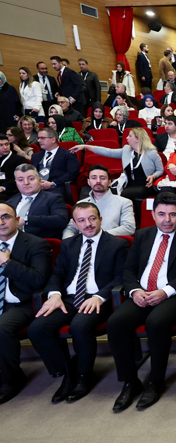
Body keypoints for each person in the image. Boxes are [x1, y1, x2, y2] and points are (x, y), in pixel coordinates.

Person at [106, 192, 176, 411]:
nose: (167, 220)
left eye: (172, 214)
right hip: (142, 293)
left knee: (156, 323)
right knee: (116, 323)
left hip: (173, 295)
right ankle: (130, 382)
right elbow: (129, 269)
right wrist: (134, 291)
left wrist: (165, 291)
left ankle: (156, 382)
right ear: (153, 214)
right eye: (161, 214)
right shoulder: (142, 235)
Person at [28, 202, 128, 403]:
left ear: (100, 219)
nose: (88, 224)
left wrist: (99, 296)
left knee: (79, 326)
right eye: (81, 220)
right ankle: (68, 373)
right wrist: (54, 294)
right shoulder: (68, 245)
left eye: (92, 218)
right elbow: (57, 273)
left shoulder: (117, 244)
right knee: (37, 329)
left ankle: (84, 375)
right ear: (75, 224)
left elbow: (121, 277)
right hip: (69, 298)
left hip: (98, 299)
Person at [0, 201, 52, 403]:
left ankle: (11, 379)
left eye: (5, 217)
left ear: (16, 220)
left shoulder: (36, 244)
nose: (1, 222)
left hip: (23, 303)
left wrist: (6, 262)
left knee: (1, 328)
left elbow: (39, 280)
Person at [77, 127, 162, 202]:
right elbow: (109, 152)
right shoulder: (126, 150)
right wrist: (86, 146)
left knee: (123, 194)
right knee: (109, 191)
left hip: (147, 185)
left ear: (137, 139)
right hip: (128, 185)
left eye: (130, 136)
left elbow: (160, 170)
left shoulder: (152, 153)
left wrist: (153, 176)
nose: (127, 138)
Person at [62, 164, 135, 239]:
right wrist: (69, 241)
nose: (98, 181)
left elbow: (129, 228)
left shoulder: (124, 202)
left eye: (102, 178)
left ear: (109, 182)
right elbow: (71, 228)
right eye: (94, 178)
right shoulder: (80, 204)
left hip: (109, 242)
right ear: (88, 182)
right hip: (84, 243)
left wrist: (98, 236)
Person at [29, 127, 80, 201]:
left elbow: (72, 173)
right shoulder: (36, 156)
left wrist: (52, 183)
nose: (39, 140)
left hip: (56, 187)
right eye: (38, 138)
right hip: (36, 187)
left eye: (42, 138)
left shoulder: (67, 154)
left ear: (53, 139)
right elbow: (30, 172)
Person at [0, 136, 24, 201]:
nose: (5, 147)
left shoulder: (19, 160)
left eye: (7, 144)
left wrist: (2, 187)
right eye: (1, 145)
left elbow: (19, 178)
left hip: (10, 191)